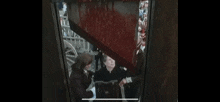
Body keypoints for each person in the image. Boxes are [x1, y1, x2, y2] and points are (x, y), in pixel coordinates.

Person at [119, 36, 146, 102]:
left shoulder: (142, 57)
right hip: (125, 86)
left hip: (135, 87)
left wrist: (128, 80)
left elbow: (142, 76)